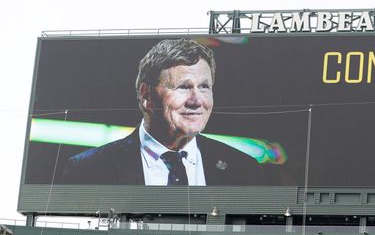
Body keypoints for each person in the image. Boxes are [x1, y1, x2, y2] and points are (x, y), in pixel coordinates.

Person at [59, 38, 264, 186]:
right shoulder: (89, 169)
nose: (197, 100)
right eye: (183, 87)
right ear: (146, 95)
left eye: (204, 87)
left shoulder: (245, 170)